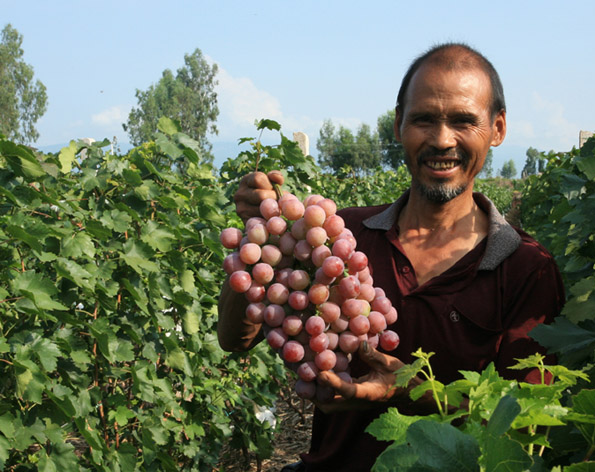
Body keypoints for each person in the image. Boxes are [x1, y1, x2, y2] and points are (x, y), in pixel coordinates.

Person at [218, 42, 565, 472]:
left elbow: (521, 431)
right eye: (423, 119)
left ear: (497, 129)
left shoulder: (528, 269)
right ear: (399, 124)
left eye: (463, 121)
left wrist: (407, 390)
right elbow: (234, 339)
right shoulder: (338, 239)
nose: (441, 140)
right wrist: (256, 241)